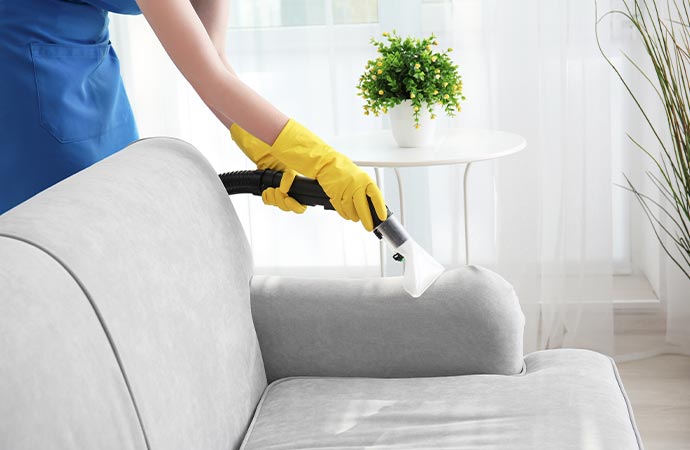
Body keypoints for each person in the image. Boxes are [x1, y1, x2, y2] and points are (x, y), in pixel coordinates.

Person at [0, 0, 387, 231]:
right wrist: (320, 159)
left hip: (101, 103)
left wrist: (266, 152)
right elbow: (209, 76)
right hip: (30, 112)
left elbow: (215, 60)